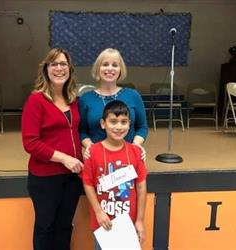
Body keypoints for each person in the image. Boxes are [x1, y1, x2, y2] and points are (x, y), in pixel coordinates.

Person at [21, 48, 83, 250]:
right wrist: (65, 158)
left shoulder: (74, 100)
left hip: (72, 177)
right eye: (54, 64)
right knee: (46, 227)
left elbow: (77, 133)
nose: (59, 68)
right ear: (46, 69)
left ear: (70, 69)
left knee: (65, 226)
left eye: (63, 64)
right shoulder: (36, 100)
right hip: (45, 178)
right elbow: (30, 142)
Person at [81, 100, 148, 250]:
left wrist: (140, 220)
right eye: (113, 121)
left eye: (123, 122)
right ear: (103, 123)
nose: (118, 127)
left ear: (129, 124)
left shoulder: (135, 152)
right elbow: (88, 183)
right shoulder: (93, 152)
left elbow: (141, 188)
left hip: (129, 222)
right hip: (104, 222)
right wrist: (98, 212)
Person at [78, 48, 148, 158]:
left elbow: (142, 127)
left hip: (128, 158)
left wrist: (136, 146)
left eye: (115, 65)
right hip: (98, 158)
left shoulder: (133, 95)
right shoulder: (85, 99)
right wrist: (89, 146)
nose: (110, 68)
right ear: (98, 69)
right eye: (105, 64)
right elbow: (81, 131)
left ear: (120, 70)